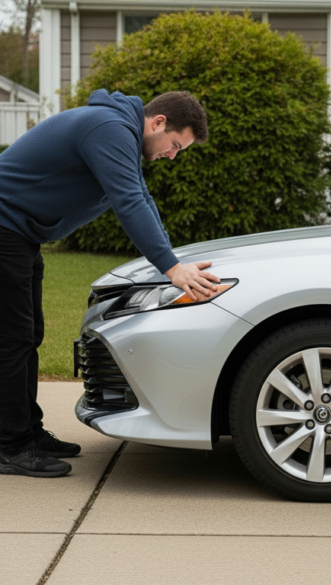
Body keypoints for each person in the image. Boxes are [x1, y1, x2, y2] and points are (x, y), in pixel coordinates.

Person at [0, 89, 220, 478]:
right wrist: (171, 269)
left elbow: (143, 199)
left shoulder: (119, 134)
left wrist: (175, 260)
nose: (172, 155)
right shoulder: (109, 128)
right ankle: (10, 446)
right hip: (5, 229)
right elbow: (129, 201)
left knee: (27, 334)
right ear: (157, 123)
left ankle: (26, 433)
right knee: (12, 338)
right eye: (175, 145)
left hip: (19, 234)